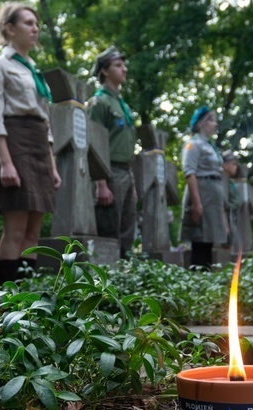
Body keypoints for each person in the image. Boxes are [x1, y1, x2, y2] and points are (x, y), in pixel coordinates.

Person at [0, 2, 61, 285]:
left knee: (33, 234)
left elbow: (47, 124)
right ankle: (7, 301)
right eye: (28, 23)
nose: (35, 28)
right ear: (9, 29)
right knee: (15, 230)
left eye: (37, 24)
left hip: (40, 149)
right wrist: (6, 163)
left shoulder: (34, 71)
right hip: (14, 146)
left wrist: (52, 166)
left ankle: (27, 300)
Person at [87, 46, 137, 259]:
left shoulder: (121, 103)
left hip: (126, 171)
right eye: (118, 65)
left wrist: (131, 181)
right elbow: (93, 143)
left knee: (127, 231)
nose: (124, 69)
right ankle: (106, 279)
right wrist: (101, 183)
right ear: (105, 71)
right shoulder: (99, 103)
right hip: (109, 172)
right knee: (109, 230)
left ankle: (125, 278)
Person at [179, 106, 227, 269]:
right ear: (201, 124)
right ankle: (197, 276)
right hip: (201, 194)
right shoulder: (193, 145)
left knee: (209, 242)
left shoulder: (210, 146)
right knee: (200, 241)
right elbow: (189, 172)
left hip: (212, 197)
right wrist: (196, 203)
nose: (215, 124)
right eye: (211, 120)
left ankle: (205, 277)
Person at [221, 150, 241, 251]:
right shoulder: (221, 180)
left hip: (232, 215)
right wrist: (225, 224)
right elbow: (222, 203)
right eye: (233, 164)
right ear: (225, 165)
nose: (235, 167)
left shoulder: (230, 182)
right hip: (225, 216)